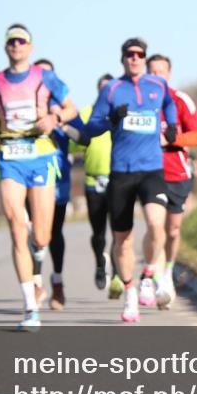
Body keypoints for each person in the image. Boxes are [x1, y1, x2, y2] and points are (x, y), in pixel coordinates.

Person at [0, 24, 77, 330]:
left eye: (21, 41)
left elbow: (71, 109)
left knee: (41, 237)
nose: (16, 45)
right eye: (11, 41)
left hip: (42, 158)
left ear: (30, 47)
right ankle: (30, 307)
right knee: (16, 229)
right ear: (5, 47)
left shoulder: (45, 77)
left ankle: (37, 240)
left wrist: (54, 118)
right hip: (10, 159)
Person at [84, 38, 177, 323]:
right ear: (122, 58)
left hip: (151, 169)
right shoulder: (112, 89)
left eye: (139, 54)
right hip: (122, 172)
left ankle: (148, 274)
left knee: (157, 225)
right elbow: (91, 127)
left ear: (144, 58)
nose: (135, 58)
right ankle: (129, 292)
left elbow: (169, 104)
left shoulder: (157, 85)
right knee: (122, 240)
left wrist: (172, 125)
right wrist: (111, 119)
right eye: (130, 54)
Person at [144, 53, 197, 309]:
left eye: (161, 72)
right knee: (155, 227)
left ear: (169, 75)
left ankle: (168, 271)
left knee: (172, 230)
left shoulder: (180, 100)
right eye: (152, 71)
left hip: (177, 173)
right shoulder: (139, 101)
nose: (157, 76)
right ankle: (157, 280)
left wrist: (172, 139)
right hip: (149, 173)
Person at [31, 58, 87, 310]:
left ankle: (57, 281)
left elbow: (84, 138)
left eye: (48, 75)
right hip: (29, 174)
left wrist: (62, 124)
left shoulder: (63, 107)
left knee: (54, 232)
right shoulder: (27, 103)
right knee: (32, 231)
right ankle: (35, 282)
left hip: (58, 176)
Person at [74, 74, 120, 296]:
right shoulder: (86, 114)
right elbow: (74, 143)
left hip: (118, 178)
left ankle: (118, 270)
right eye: (103, 89)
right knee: (98, 232)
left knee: (119, 230)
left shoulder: (122, 114)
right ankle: (101, 264)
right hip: (93, 180)